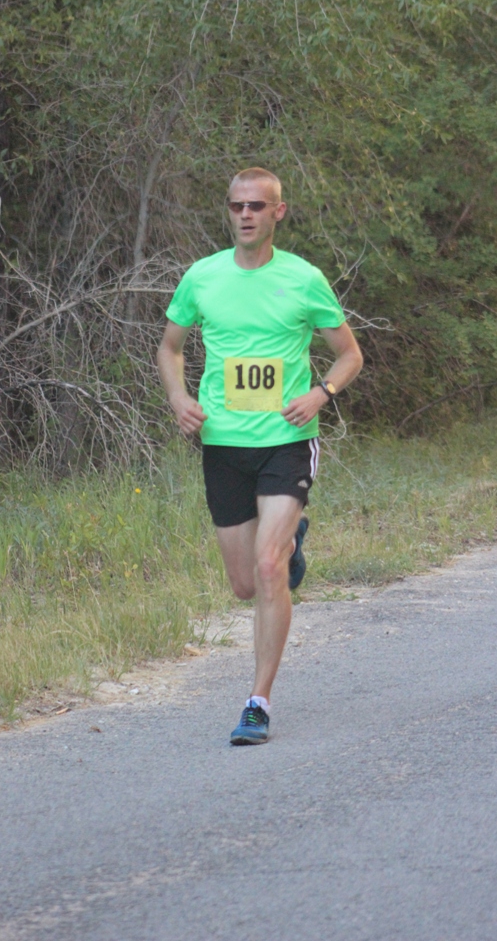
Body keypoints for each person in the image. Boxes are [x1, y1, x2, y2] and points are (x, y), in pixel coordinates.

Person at [157, 168, 363, 744]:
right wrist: (179, 397)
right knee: (245, 584)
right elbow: (170, 348)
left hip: (287, 441)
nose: (245, 214)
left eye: (256, 205)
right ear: (228, 212)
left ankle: (258, 702)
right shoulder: (202, 278)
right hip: (223, 444)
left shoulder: (304, 279)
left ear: (279, 212)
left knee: (270, 569)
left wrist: (320, 393)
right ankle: (293, 540)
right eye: (235, 206)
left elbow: (349, 355)